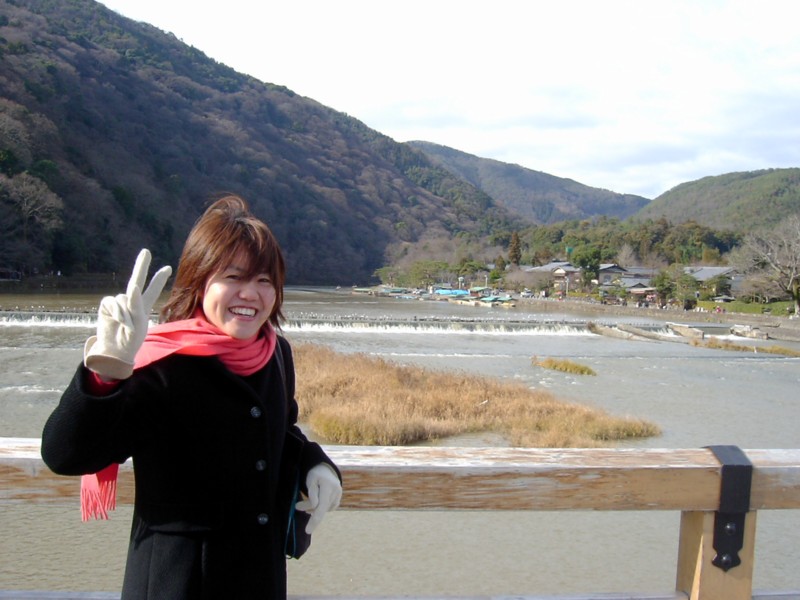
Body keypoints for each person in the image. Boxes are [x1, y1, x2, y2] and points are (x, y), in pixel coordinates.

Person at [42, 195, 342, 599]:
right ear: (199, 282)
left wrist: (314, 463)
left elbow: (279, 431)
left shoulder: (275, 354)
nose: (250, 294)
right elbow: (67, 455)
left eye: (264, 281)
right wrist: (106, 371)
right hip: (179, 582)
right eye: (233, 277)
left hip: (258, 578)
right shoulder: (161, 365)